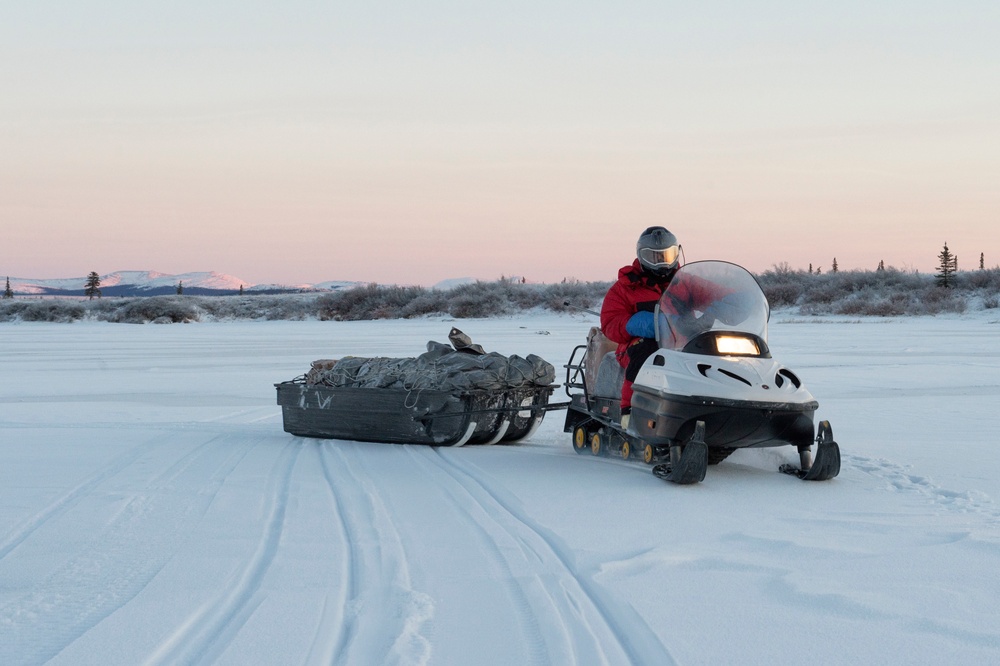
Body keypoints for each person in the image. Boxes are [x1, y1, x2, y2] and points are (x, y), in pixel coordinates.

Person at [600, 226, 728, 428]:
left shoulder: (685, 282)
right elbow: (610, 323)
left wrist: (734, 301)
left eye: (667, 255)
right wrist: (634, 323)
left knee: (718, 349)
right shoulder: (625, 288)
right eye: (654, 256)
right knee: (648, 351)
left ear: (676, 253)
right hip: (637, 346)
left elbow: (714, 292)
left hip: (686, 340)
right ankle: (630, 411)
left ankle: (723, 406)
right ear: (642, 256)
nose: (662, 262)